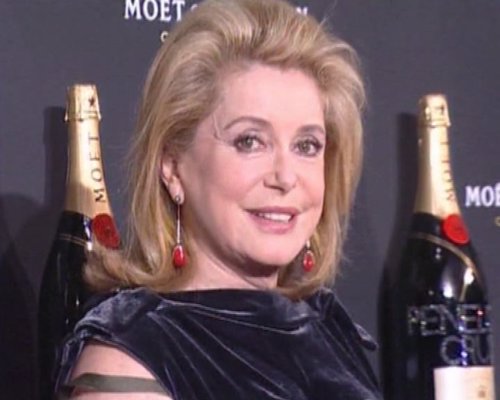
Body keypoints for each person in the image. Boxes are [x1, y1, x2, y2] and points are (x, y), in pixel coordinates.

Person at [54, 0, 382, 398]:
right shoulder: (133, 356)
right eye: (250, 141)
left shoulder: (328, 331)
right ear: (172, 166)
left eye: (307, 145)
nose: (285, 177)